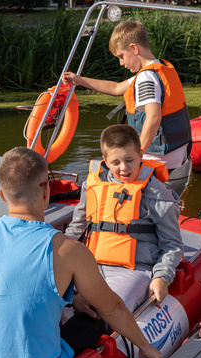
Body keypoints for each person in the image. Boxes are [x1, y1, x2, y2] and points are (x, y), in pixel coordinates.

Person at [0, 147, 162, 358]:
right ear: (46, 191)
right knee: (92, 318)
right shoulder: (68, 250)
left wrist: (70, 298)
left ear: (1, 194)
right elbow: (113, 309)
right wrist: (146, 347)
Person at [65, 124, 184, 312]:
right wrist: (61, 262)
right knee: (58, 304)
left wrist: (162, 276)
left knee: (109, 309)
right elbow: (75, 229)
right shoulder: (92, 186)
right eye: (115, 163)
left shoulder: (157, 194)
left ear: (140, 154)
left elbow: (173, 245)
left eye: (130, 160)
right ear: (105, 160)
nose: (124, 168)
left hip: (135, 270)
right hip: (90, 264)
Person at [62, 20, 191, 171]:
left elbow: (154, 117)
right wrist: (79, 80)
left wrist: (137, 155)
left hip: (158, 158)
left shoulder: (146, 77)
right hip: (178, 153)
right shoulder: (162, 67)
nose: (121, 63)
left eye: (121, 56)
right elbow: (116, 88)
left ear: (134, 48)